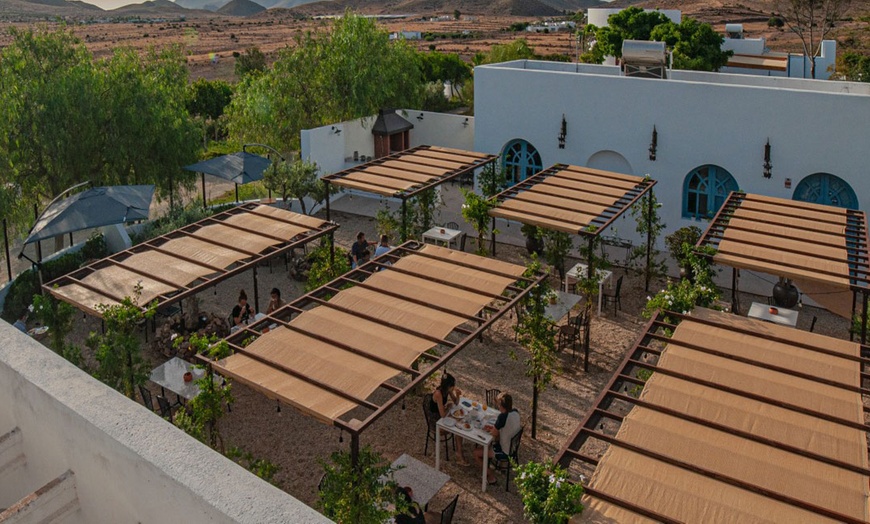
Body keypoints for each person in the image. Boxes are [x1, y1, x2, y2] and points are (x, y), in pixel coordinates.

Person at [475, 392, 521, 484]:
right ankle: (502, 467)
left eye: (498, 405)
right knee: (488, 445)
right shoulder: (515, 412)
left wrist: (489, 428)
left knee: (476, 453)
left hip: (505, 452)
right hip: (513, 447)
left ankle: (490, 475)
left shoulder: (502, 417)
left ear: (501, 405)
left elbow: (493, 434)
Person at [429, 373, 469, 465]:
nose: (454, 387)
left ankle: (459, 452)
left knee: (460, 423)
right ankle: (459, 455)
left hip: (443, 416)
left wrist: (457, 395)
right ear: (448, 386)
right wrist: (448, 407)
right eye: (452, 386)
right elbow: (442, 414)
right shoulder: (438, 394)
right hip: (436, 420)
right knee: (458, 428)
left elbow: (455, 402)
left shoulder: (447, 391)